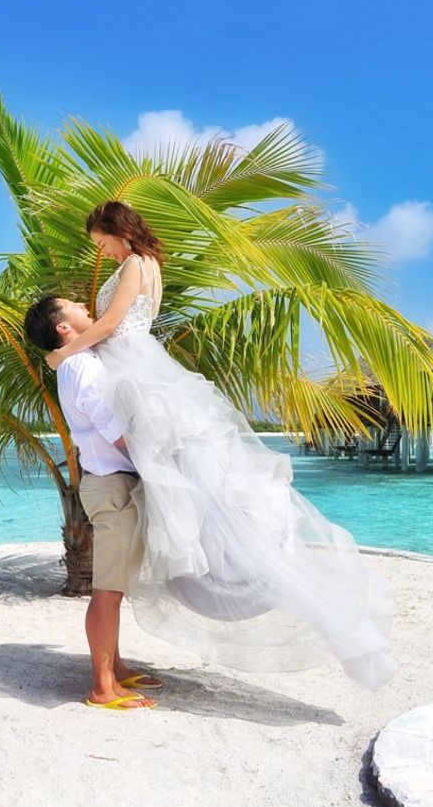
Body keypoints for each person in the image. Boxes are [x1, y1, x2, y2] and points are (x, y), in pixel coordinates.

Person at [42, 201, 398, 691]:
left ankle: (240, 577)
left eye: (101, 241)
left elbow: (108, 326)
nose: (101, 251)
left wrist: (62, 353)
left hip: (133, 367)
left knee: (187, 475)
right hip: (138, 370)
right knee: (193, 475)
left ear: (118, 231)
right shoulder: (146, 264)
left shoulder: (133, 266)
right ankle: (116, 665)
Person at [24, 294, 164, 710]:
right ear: (63, 327)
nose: (86, 307)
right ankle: (102, 688)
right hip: (111, 485)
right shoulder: (80, 366)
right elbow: (114, 429)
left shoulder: (77, 359)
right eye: (75, 307)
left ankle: (115, 667)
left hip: (112, 482)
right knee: (108, 590)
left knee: (114, 588)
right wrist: (163, 462)